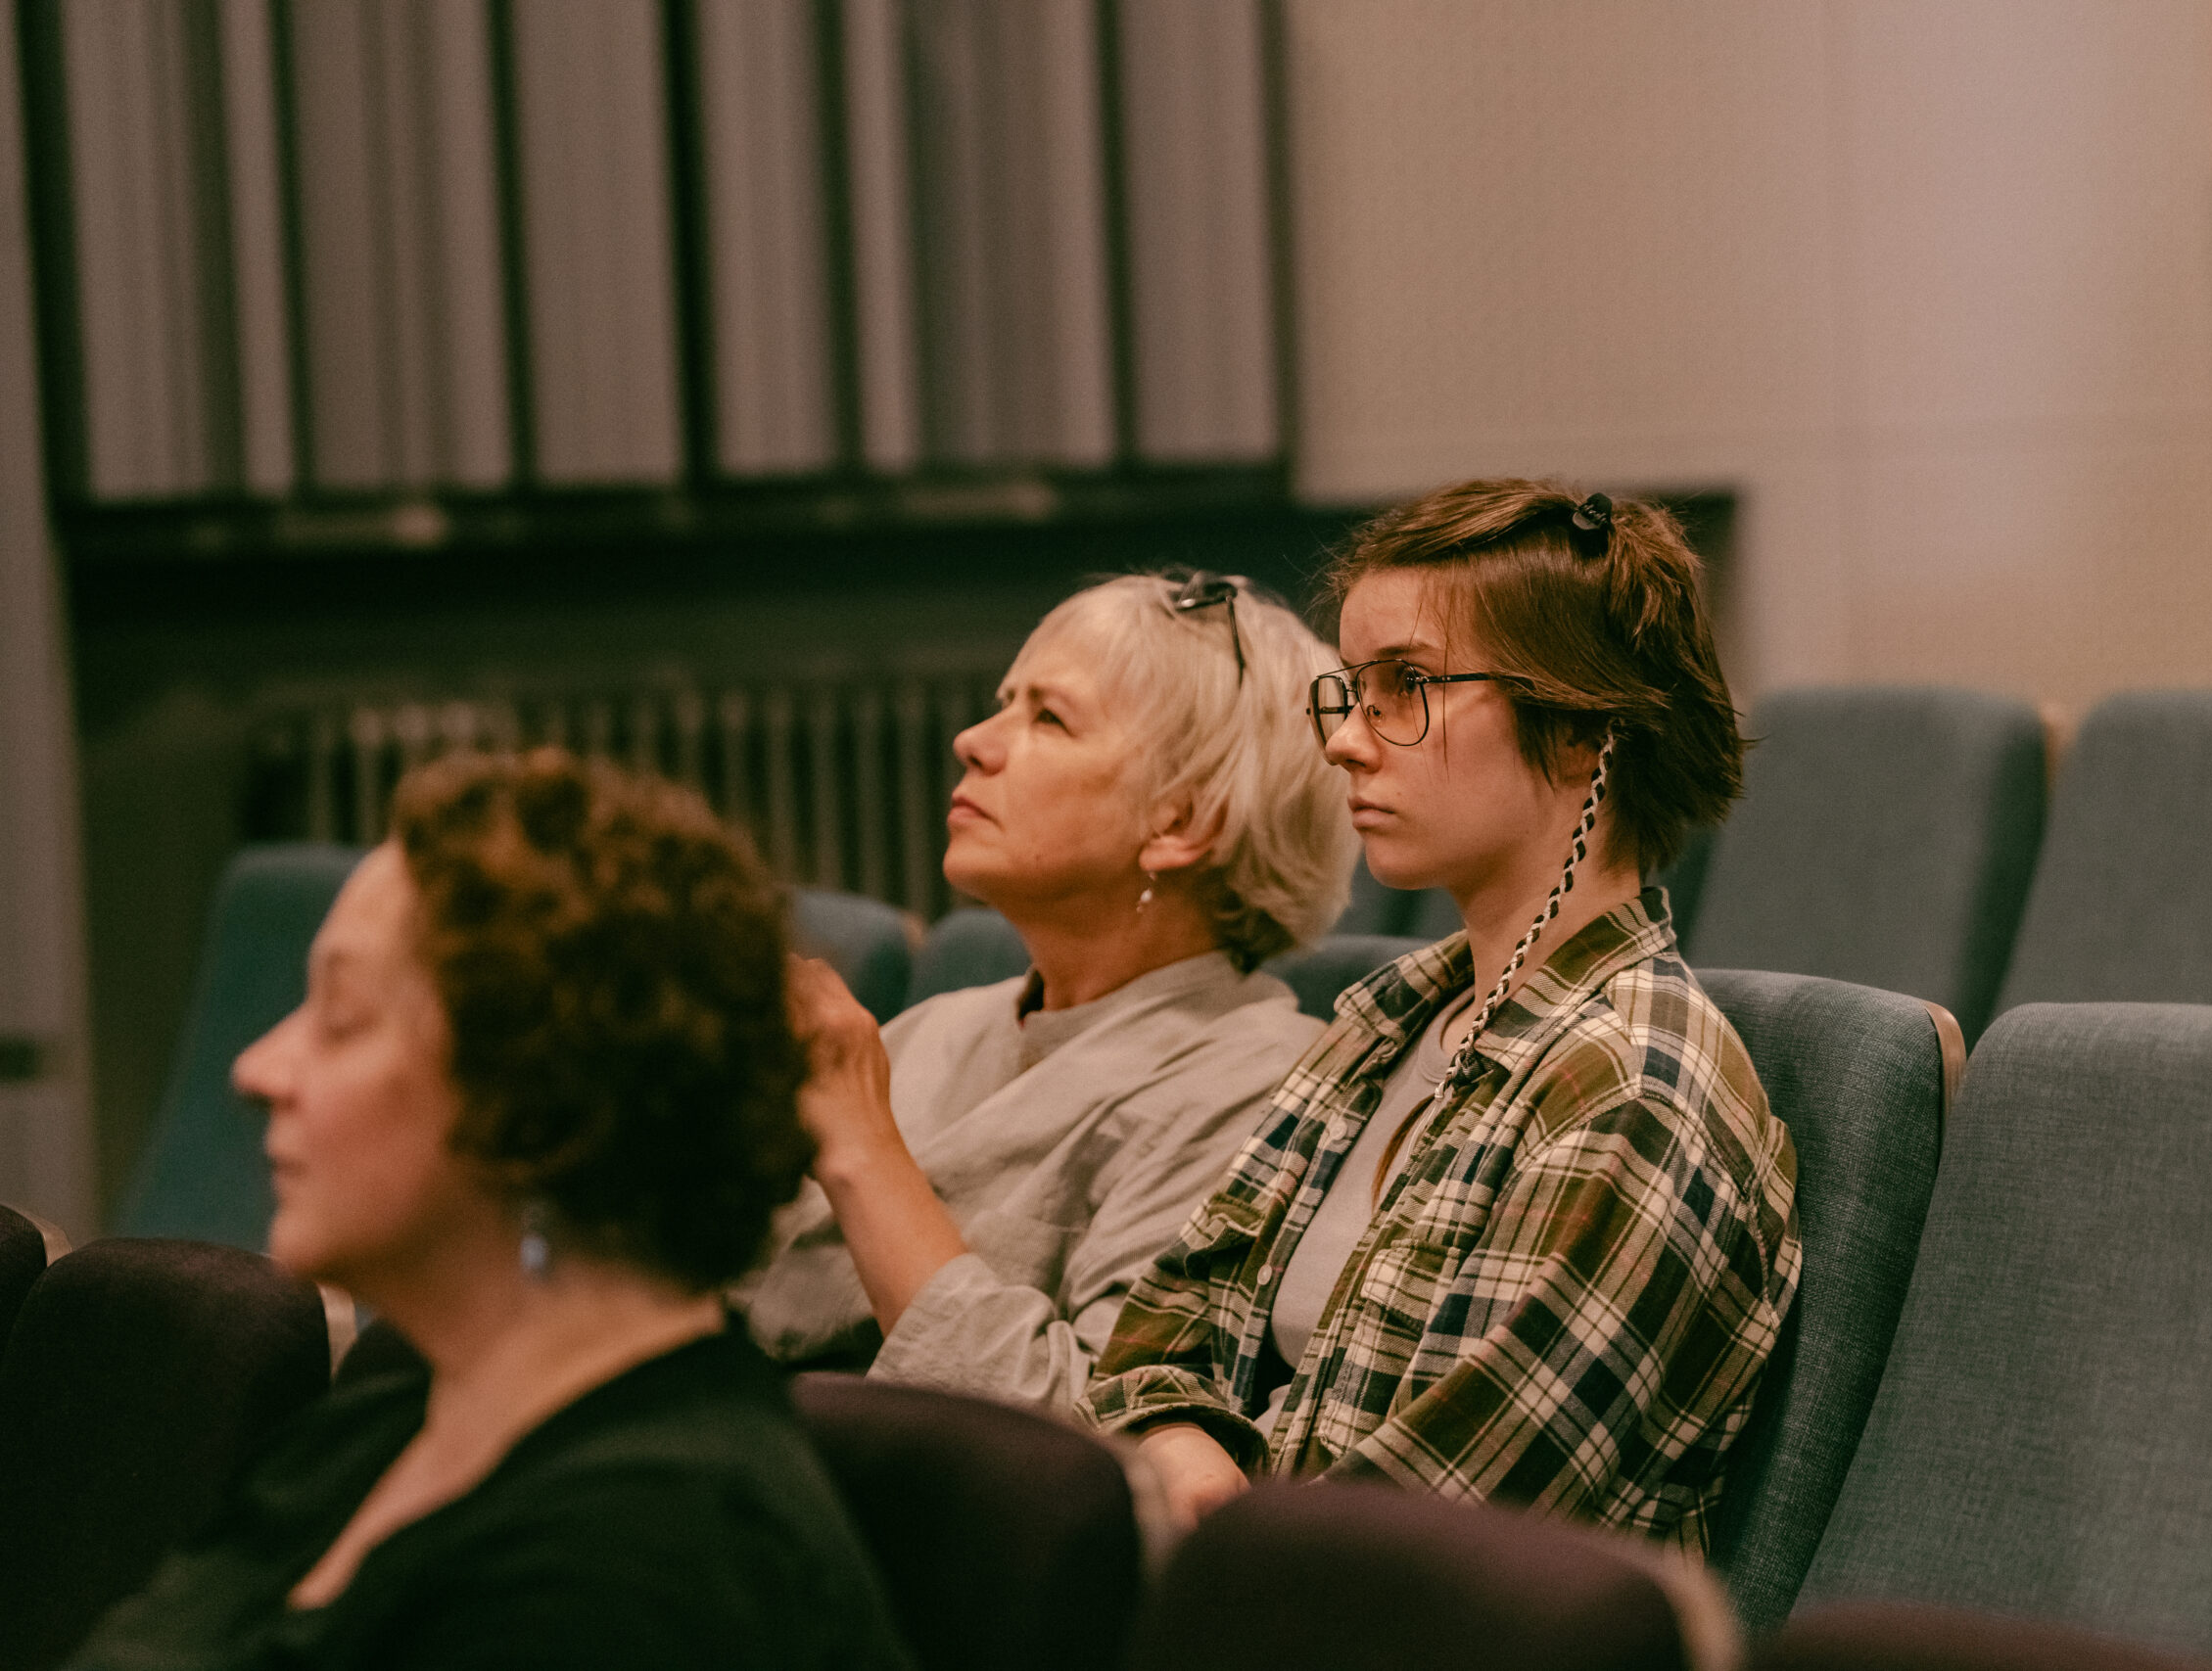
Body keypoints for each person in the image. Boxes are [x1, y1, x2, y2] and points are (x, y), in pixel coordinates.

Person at [71, 752, 911, 1671]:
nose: (257, 1068)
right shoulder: (371, 1434)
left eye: (340, 1018)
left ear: (536, 1096)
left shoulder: (639, 1570)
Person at [1082, 480, 1802, 1553]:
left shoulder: (1631, 1089)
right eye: (1352, 690)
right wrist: (1177, 1436)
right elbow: (1158, 1333)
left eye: (1407, 686)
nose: (1345, 741)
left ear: (1582, 728)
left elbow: (1416, 1549)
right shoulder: (1391, 1015)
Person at [740, 572, 1358, 1411]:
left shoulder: (1261, 1088)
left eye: (1049, 718)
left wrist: (862, 1149)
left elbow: (1099, 1434)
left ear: (1184, 822)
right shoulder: (935, 1027)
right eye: (1004, 703)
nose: (972, 740)